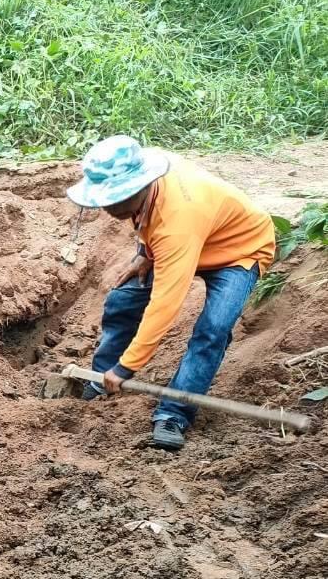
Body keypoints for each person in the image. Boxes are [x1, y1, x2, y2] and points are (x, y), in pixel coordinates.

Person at [67, 135, 275, 451]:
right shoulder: (146, 167)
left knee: (213, 330)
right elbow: (148, 217)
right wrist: (143, 251)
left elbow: (165, 305)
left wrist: (127, 367)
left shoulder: (177, 222)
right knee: (124, 299)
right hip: (196, 236)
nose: (109, 207)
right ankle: (99, 379)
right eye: (105, 199)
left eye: (117, 200)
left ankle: (174, 413)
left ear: (141, 186)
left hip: (240, 251)